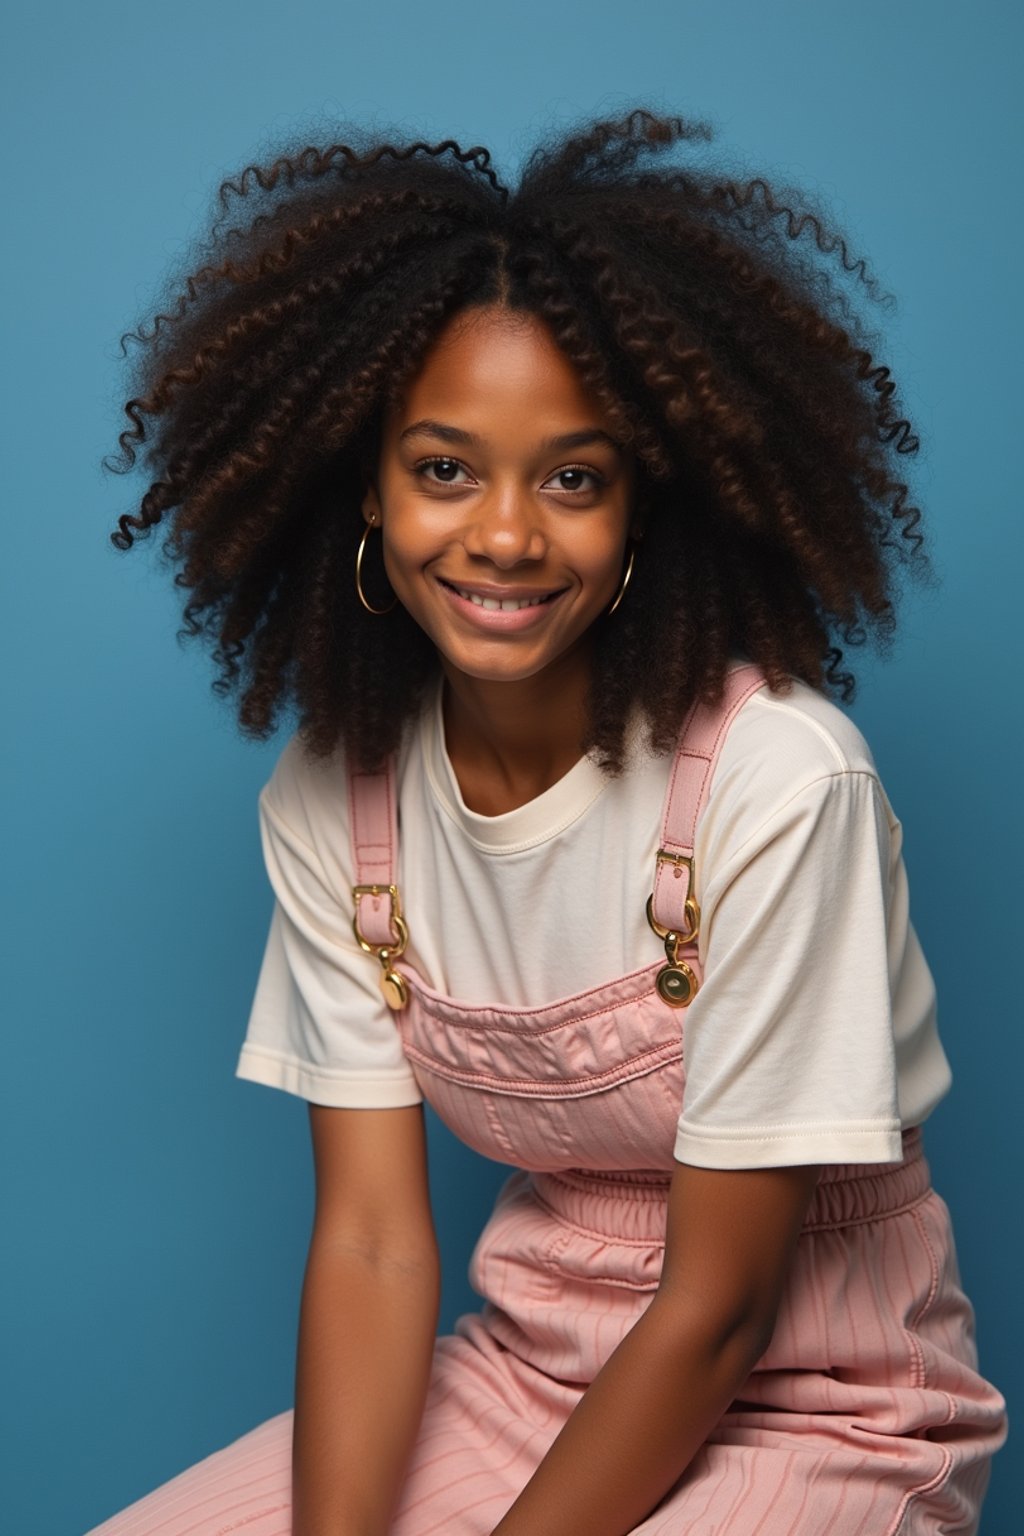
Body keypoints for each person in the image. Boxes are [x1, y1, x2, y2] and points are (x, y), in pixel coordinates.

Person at [89, 107, 1006, 1536]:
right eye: (445, 467)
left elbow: (719, 1308)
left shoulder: (778, 783)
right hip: (525, 1379)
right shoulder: (339, 797)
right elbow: (382, 1248)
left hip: (822, 1398)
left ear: (648, 513)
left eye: (571, 477)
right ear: (365, 492)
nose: (506, 535)